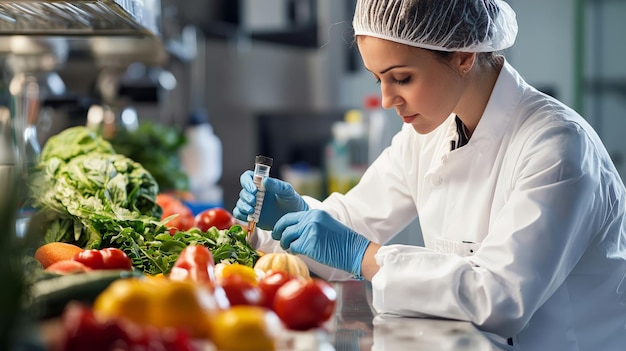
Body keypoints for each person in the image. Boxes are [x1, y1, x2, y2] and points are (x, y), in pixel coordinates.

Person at [233, 0, 626, 349]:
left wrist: (364, 257)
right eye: (378, 80)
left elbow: (500, 298)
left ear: (463, 55)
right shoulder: (429, 132)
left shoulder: (557, 147)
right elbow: (356, 223)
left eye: (401, 78)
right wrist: (295, 217)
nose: (387, 100)